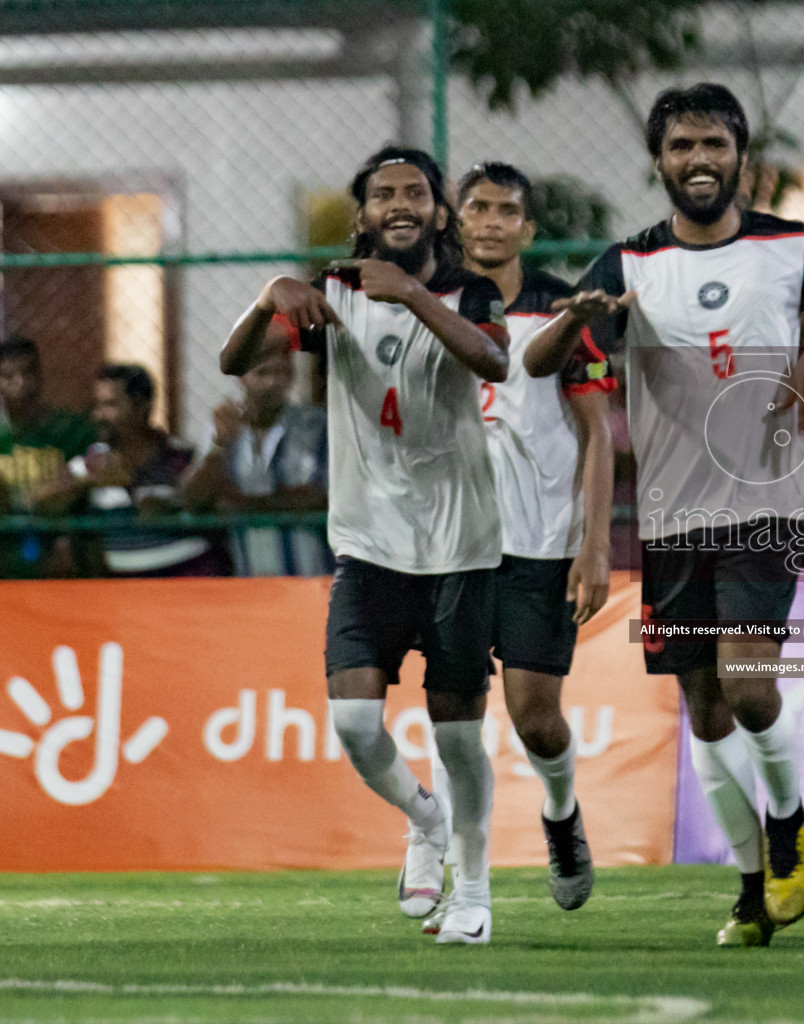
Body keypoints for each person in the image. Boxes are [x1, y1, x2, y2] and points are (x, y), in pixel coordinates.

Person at [524, 83, 804, 946]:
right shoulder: (626, 265)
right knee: (705, 708)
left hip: (767, 504)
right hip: (674, 517)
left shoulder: (793, 248)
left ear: (740, 158)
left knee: (750, 684)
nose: (698, 161)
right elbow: (541, 362)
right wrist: (577, 316)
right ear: (659, 162)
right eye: (682, 146)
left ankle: (789, 822)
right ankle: (752, 887)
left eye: (713, 145)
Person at [221, 146, 510, 945]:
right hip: (370, 543)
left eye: (416, 192)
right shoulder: (334, 292)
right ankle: (425, 821)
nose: (401, 204)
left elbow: (494, 361)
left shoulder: (470, 290)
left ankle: (476, 892)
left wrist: (414, 294)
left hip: (460, 544)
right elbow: (234, 360)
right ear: (363, 216)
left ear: (439, 214)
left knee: (457, 735)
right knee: (353, 723)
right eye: (384, 194)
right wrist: (268, 299)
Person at [435, 159, 614, 921]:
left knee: (535, 717)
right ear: (456, 219)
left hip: (541, 541)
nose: (490, 220)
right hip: (447, 544)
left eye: (507, 210)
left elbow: (598, 431)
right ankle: (459, 877)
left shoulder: (560, 309)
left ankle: (561, 814)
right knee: (456, 720)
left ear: (527, 228)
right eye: (477, 206)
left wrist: (596, 543)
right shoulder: (430, 301)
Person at [38, 364, 225, 578]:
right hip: (123, 591)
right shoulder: (93, 461)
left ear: (141, 407)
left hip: (186, 580)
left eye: (110, 405)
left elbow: (196, 502)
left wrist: (132, 486)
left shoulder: (181, 456)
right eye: (98, 405)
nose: (99, 415)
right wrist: (88, 482)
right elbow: (43, 502)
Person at [182, 324, 330, 576]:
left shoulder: (315, 426)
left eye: (282, 373)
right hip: (249, 584)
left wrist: (240, 502)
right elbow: (195, 500)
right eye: (263, 373)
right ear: (242, 377)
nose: (274, 383)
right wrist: (219, 446)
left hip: (311, 580)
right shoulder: (222, 426)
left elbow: (324, 498)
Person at [0, 337, 95, 577]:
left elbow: (85, 475)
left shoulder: (68, 430)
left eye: (28, 373)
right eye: (8, 376)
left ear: (40, 376)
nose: (20, 383)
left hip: (57, 541)